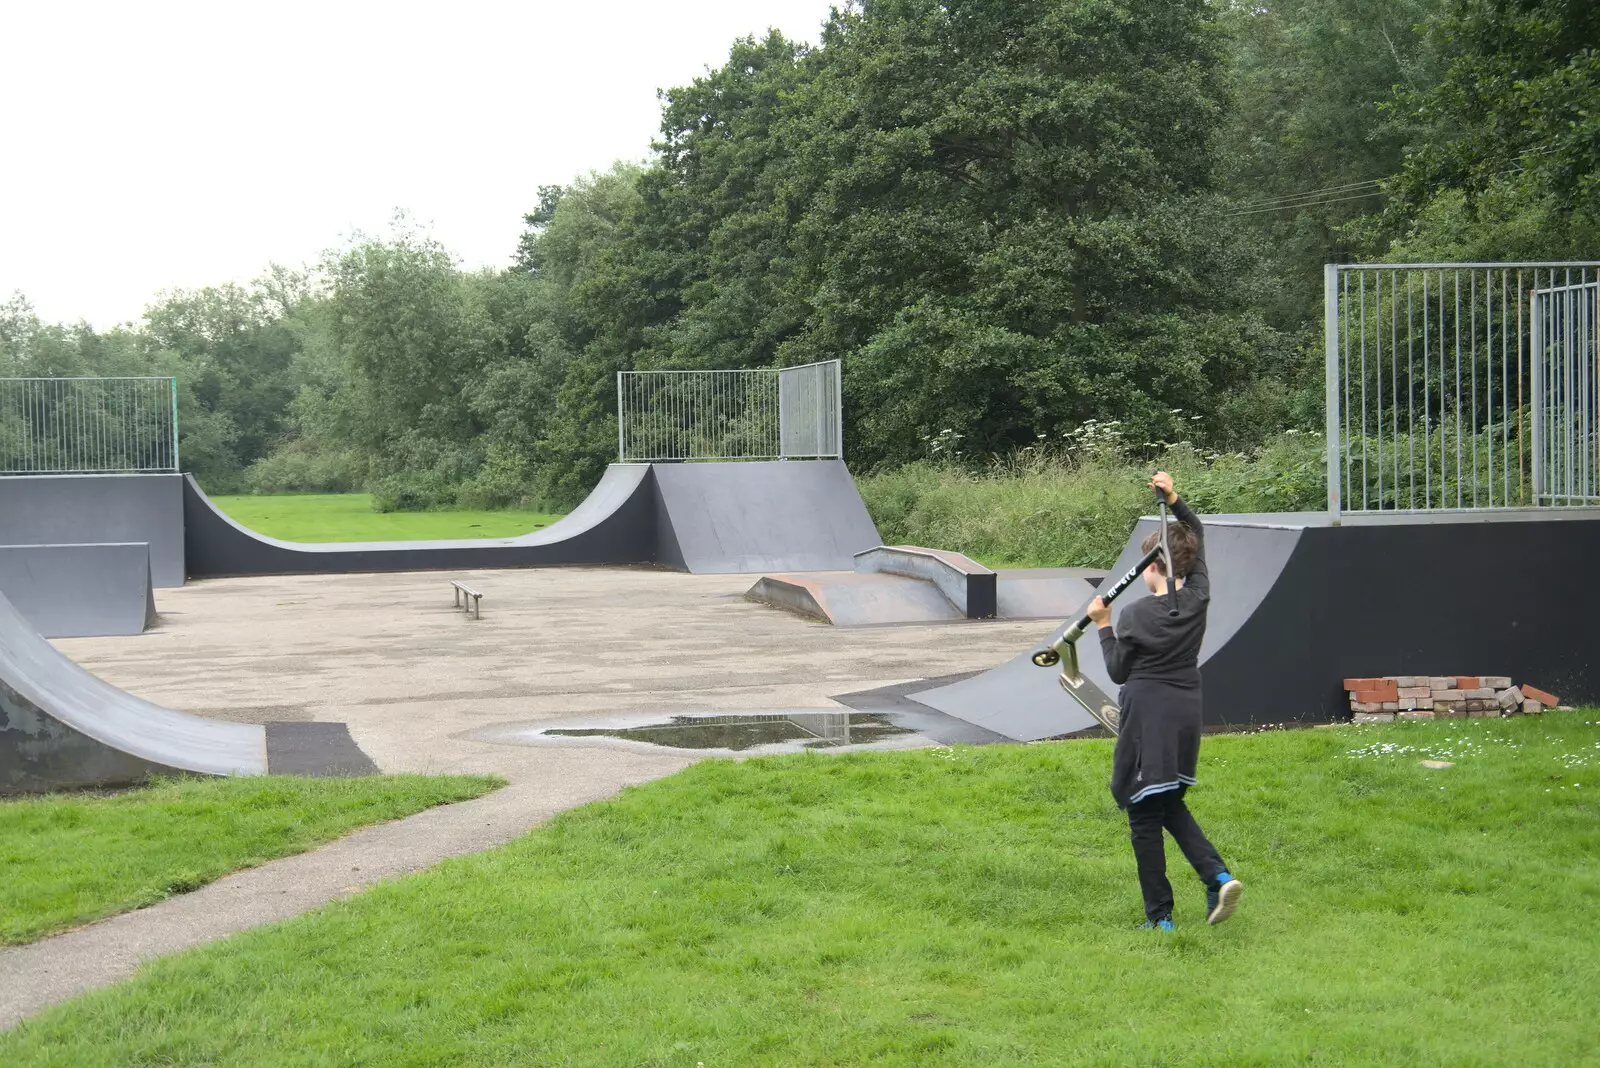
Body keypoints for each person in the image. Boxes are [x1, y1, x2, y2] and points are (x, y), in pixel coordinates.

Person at [1085, 471, 1242, 931]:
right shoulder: (1198, 596)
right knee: (1169, 802)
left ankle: (1160, 920)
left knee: (1142, 811)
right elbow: (1200, 537)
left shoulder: (1134, 615)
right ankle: (1217, 876)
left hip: (1148, 714)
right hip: (1185, 711)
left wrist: (1102, 624)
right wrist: (1174, 499)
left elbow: (1117, 669)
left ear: (1153, 565)